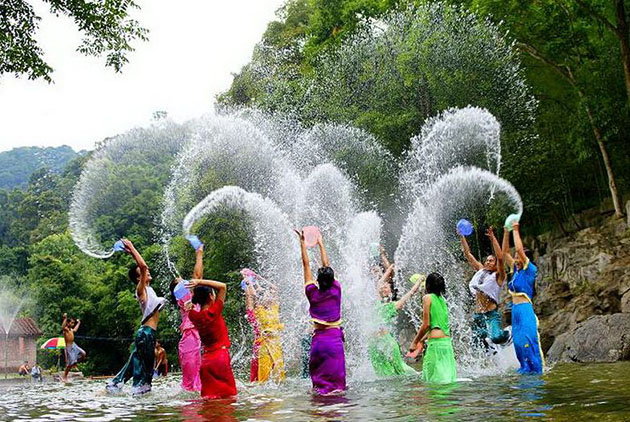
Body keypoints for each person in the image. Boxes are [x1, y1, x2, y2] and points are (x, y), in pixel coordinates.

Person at [106, 239, 165, 395]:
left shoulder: (149, 290)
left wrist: (132, 251)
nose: (148, 272)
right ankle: (139, 397)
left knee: (134, 364)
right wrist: (132, 247)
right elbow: (144, 266)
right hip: (146, 334)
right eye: (144, 273)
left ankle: (113, 386)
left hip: (146, 334)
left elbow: (144, 267)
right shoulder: (141, 291)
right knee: (144, 371)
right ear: (139, 278)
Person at [296, 230, 346, 395]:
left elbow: (306, 265)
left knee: (318, 388)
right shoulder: (336, 289)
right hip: (334, 340)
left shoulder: (312, 292)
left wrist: (302, 243)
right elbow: (326, 265)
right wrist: (321, 243)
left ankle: (318, 414)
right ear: (332, 280)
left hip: (319, 342)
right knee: (338, 388)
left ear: (317, 280)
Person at [503, 221, 544, 374]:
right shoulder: (516, 270)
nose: (516, 259)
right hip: (515, 311)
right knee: (518, 343)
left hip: (525, 309)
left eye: (518, 257)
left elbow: (519, 249)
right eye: (515, 258)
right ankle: (525, 368)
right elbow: (504, 253)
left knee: (529, 340)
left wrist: (515, 230)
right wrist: (506, 232)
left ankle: (536, 369)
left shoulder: (530, 269)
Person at [459, 227, 509, 348]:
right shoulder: (481, 270)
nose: (487, 262)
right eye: (487, 260)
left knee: (496, 338)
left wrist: (492, 238)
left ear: (496, 264)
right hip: (479, 315)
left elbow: (501, 258)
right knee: (477, 344)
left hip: (491, 313)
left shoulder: (499, 276)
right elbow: (468, 254)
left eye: (491, 261)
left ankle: (508, 334)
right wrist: (462, 236)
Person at [187, 278, 237, 399]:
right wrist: (199, 282)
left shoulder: (193, 315)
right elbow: (223, 286)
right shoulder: (214, 312)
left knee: (209, 400)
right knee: (229, 399)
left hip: (206, 362)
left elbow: (191, 306)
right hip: (220, 358)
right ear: (210, 296)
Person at [368, 267, 423, 376]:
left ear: (391, 291)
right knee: (380, 372)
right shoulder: (376, 303)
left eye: (386, 287)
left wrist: (419, 281)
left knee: (399, 370)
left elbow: (410, 293)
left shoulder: (394, 306)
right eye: (382, 287)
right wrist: (389, 269)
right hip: (374, 344)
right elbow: (379, 283)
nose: (383, 288)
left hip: (386, 342)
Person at [408, 272, 457, 384]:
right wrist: (421, 340)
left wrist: (414, 342)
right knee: (446, 380)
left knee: (432, 381)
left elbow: (426, 325)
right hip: (446, 344)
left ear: (428, 285)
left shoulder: (427, 298)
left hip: (435, 345)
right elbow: (437, 326)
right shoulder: (443, 301)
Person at [168, 244, 203, 392]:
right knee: (191, 383)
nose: (184, 280)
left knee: (195, 380)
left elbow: (198, 279)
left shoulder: (189, 296)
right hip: (190, 336)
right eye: (180, 280)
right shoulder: (183, 294)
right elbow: (197, 277)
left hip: (194, 335)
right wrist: (199, 253)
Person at [243, 269, 286, 383]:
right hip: (263, 345)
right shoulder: (257, 311)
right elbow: (250, 298)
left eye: (269, 295)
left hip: (276, 344)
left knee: (279, 374)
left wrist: (258, 277)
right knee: (263, 376)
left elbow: (275, 288)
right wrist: (248, 283)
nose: (269, 297)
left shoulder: (274, 308)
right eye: (266, 296)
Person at [62, 314, 86, 382]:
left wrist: (79, 323)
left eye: (73, 323)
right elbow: (63, 326)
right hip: (69, 347)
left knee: (83, 353)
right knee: (70, 364)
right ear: (68, 323)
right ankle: (65, 376)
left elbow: (75, 330)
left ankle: (75, 363)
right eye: (72, 323)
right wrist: (65, 318)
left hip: (74, 345)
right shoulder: (65, 330)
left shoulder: (71, 330)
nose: (73, 324)